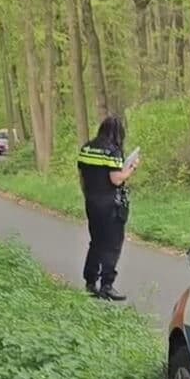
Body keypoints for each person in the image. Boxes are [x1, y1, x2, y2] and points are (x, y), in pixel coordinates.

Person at [76, 115, 137, 301]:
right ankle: (107, 285)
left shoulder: (86, 148)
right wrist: (131, 168)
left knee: (96, 241)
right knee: (112, 244)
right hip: (110, 203)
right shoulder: (112, 151)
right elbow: (116, 179)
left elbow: (82, 175)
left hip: (91, 201)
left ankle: (90, 280)